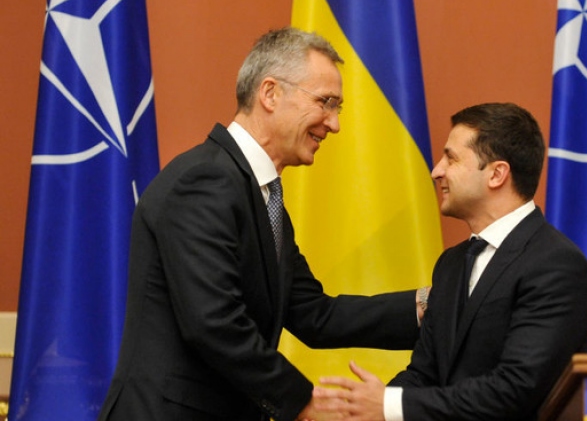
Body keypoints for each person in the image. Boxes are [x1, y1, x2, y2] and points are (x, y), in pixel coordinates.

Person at [98, 27, 424, 421]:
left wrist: (424, 308)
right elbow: (214, 322)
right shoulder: (204, 181)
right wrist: (301, 400)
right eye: (325, 103)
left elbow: (313, 314)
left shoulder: (261, 195)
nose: (335, 123)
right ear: (270, 94)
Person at [314, 103, 587, 421]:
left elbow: (515, 390)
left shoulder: (556, 265)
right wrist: (355, 411)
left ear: (496, 174)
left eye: (451, 158)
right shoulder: (452, 264)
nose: (437, 171)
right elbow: (424, 374)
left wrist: (389, 406)